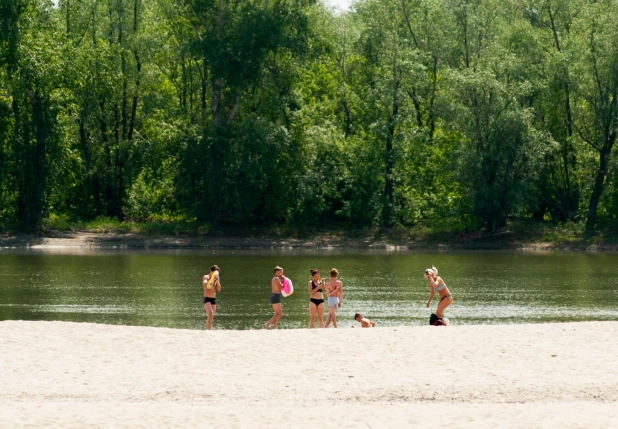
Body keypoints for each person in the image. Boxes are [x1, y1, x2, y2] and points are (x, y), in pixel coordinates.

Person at [202, 265, 221, 330]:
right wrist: (211, 280)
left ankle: (208, 329)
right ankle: (208, 330)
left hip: (213, 299)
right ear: (211, 271)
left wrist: (217, 281)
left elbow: (218, 289)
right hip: (207, 298)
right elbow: (205, 284)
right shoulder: (206, 277)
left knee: (211, 316)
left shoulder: (216, 278)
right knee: (210, 313)